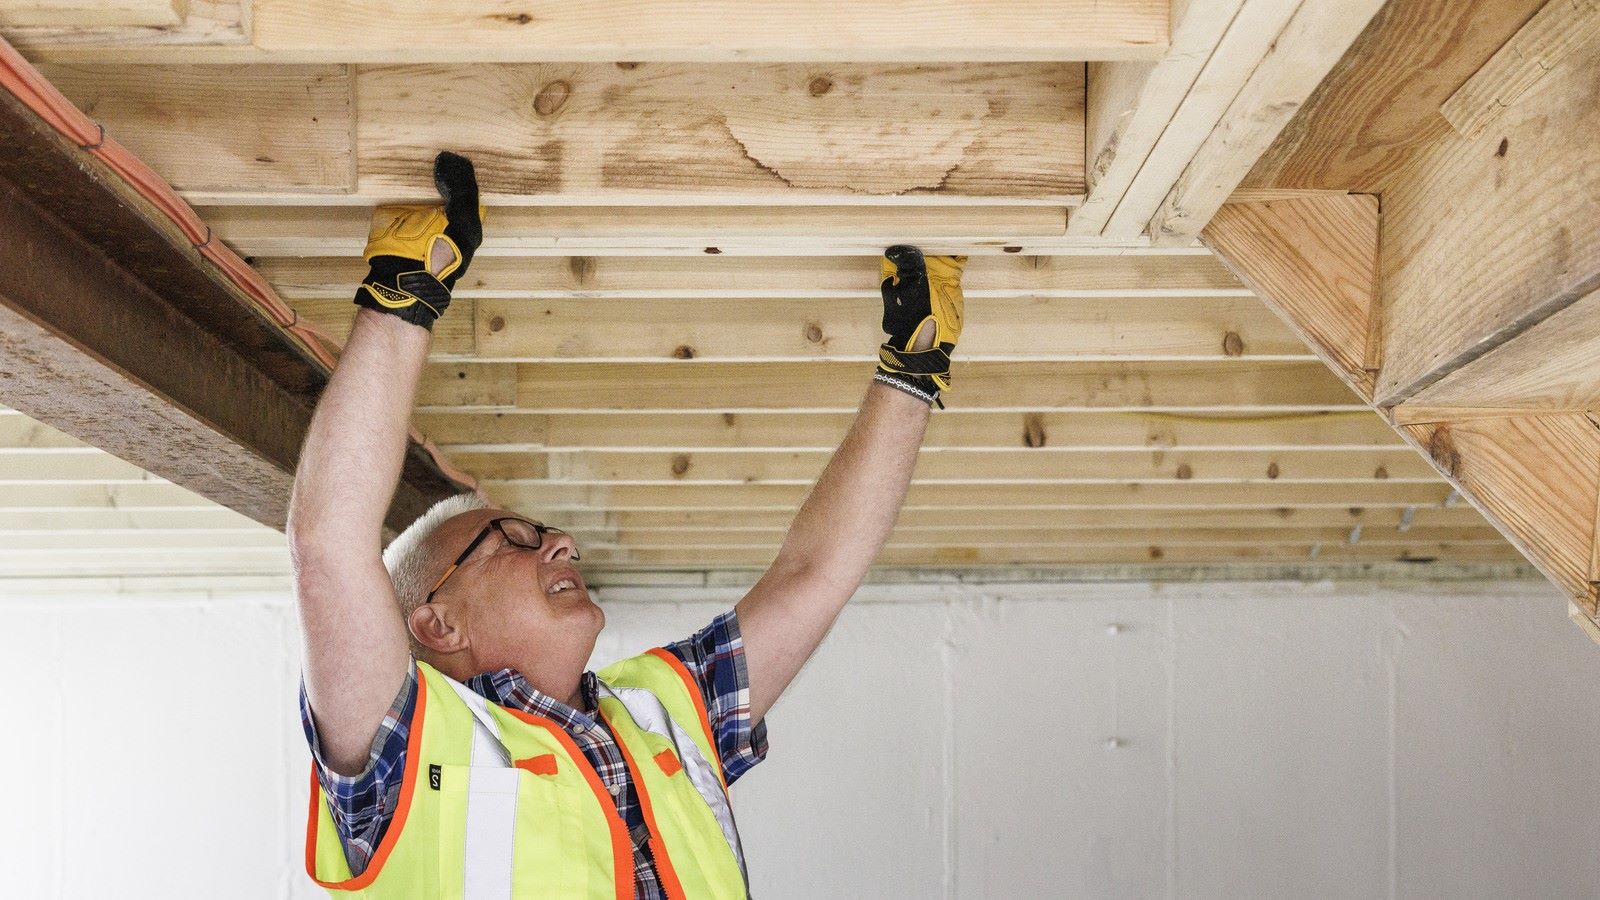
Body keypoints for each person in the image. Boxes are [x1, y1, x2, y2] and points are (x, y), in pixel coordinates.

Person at [289, 152, 967, 898]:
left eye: (532, 534)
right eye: (518, 537)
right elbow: (329, 547)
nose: (562, 542)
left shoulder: (654, 710)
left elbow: (814, 574)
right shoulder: (403, 753)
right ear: (438, 625)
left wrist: (912, 370)